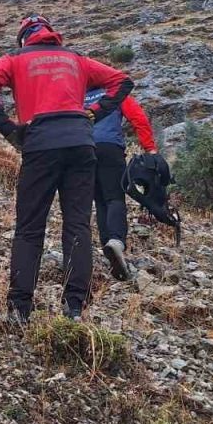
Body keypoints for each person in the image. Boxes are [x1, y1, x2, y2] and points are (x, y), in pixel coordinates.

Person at [0, 14, 133, 322]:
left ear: (24, 38)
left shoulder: (16, 58)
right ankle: (74, 307)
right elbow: (122, 81)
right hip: (81, 143)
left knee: (29, 227)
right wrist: (94, 113)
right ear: (51, 34)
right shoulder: (76, 59)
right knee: (78, 225)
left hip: (40, 144)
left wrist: (9, 129)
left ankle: (19, 308)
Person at [83, 87, 158, 282]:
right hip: (110, 148)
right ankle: (116, 241)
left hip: (82, 150)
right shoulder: (114, 92)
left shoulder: (78, 95)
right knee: (114, 197)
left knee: (100, 201)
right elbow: (138, 118)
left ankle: (108, 250)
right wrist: (150, 149)